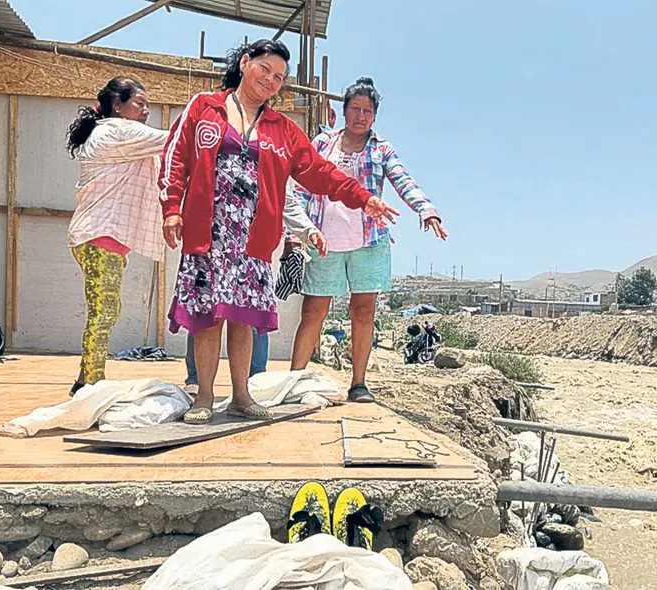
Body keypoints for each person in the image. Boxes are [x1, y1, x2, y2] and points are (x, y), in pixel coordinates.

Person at [159, 40, 398, 424]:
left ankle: (240, 396)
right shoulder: (204, 108)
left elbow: (319, 172)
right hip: (210, 233)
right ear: (245, 63)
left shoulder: (282, 129)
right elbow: (176, 158)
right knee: (207, 317)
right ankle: (204, 397)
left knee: (243, 317)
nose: (270, 81)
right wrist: (172, 208)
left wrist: (362, 197)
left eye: (279, 78)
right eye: (265, 70)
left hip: (253, 240)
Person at [290, 77, 447, 403]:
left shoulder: (381, 149)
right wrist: (297, 231)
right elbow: (302, 186)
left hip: (369, 242)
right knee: (313, 312)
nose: (361, 116)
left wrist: (426, 209)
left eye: (368, 111)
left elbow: (404, 179)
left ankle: (358, 383)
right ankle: (293, 381)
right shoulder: (322, 144)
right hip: (325, 240)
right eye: (355, 109)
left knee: (362, 313)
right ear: (344, 110)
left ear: (374, 116)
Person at [65, 77, 170, 396]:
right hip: (100, 235)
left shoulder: (113, 132)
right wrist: (208, 118)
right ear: (117, 105)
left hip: (98, 236)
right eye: (139, 103)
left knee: (105, 309)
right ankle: (88, 384)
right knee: (104, 310)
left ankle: (87, 379)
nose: (146, 111)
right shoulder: (116, 130)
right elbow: (173, 140)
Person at [183, 186, 322, 394]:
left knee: (253, 316)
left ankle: (254, 382)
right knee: (206, 313)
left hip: (253, 248)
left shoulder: (269, 155)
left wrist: (306, 231)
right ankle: (197, 382)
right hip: (212, 242)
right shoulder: (209, 154)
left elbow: (286, 199)